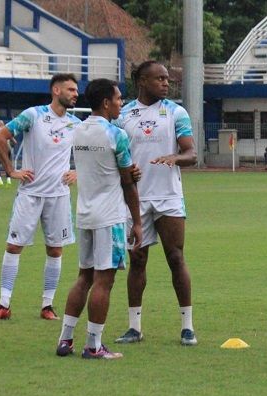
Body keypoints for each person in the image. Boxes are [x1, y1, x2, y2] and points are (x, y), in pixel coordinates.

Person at [0, 73, 81, 322]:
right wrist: (11, 171)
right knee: (14, 246)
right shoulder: (33, 115)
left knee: (55, 250)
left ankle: (48, 305)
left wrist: (78, 170)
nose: (75, 94)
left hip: (59, 195)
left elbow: (90, 151)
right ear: (56, 91)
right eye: (70, 89)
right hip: (30, 193)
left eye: (76, 90)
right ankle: (4, 304)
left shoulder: (75, 124)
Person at [112, 61, 198, 346]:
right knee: (137, 260)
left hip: (168, 196)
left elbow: (191, 153)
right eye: (159, 78)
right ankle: (134, 327)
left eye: (167, 79)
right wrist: (127, 172)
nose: (166, 83)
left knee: (176, 257)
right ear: (142, 82)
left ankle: (187, 326)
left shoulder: (176, 112)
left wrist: (175, 158)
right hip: (135, 199)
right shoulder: (123, 115)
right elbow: (114, 155)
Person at [55, 78, 142, 359]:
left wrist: (125, 173)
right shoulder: (116, 134)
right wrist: (138, 221)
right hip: (110, 216)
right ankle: (93, 345)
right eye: (118, 99)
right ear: (106, 103)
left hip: (85, 213)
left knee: (84, 277)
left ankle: (65, 339)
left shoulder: (78, 131)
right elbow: (128, 181)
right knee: (104, 281)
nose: (121, 103)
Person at [0, 120, 17, 188]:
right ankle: (8, 180)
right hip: (7, 150)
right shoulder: (7, 130)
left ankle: (0, 180)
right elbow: (15, 142)